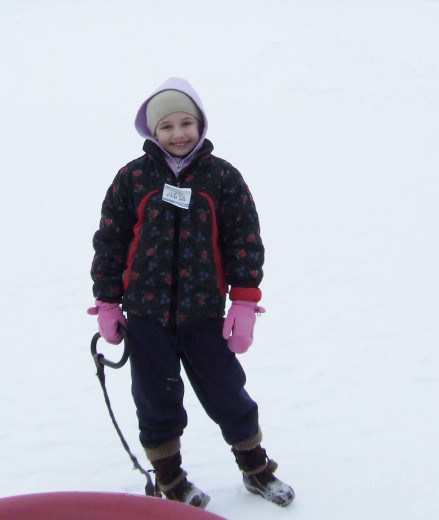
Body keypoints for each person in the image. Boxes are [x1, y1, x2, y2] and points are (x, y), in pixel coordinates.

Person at [88, 77, 295, 509]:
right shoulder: (132, 177)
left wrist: (244, 300)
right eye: (167, 126)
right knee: (156, 400)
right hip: (146, 315)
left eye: (187, 123)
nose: (179, 134)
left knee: (227, 392)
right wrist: (107, 302)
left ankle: (256, 469)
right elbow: (110, 240)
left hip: (203, 313)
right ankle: (171, 480)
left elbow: (244, 240)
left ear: (201, 125)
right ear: (151, 131)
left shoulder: (222, 178)